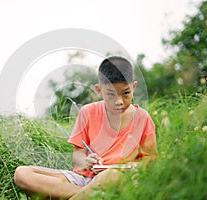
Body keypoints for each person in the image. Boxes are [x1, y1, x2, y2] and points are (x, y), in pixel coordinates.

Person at [14, 56, 158, 200]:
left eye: (126, 93)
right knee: (22, 174)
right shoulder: (88, 112)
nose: (119, 101)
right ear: (99, 90)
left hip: (117, 179)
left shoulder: (143, 118)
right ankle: (89, 195)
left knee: (111, 176)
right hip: (82, 179)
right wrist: (86, 162)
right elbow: (78, 154)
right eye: (111, 94)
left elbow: (150, 160)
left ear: (134, 87)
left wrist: (128, 167)